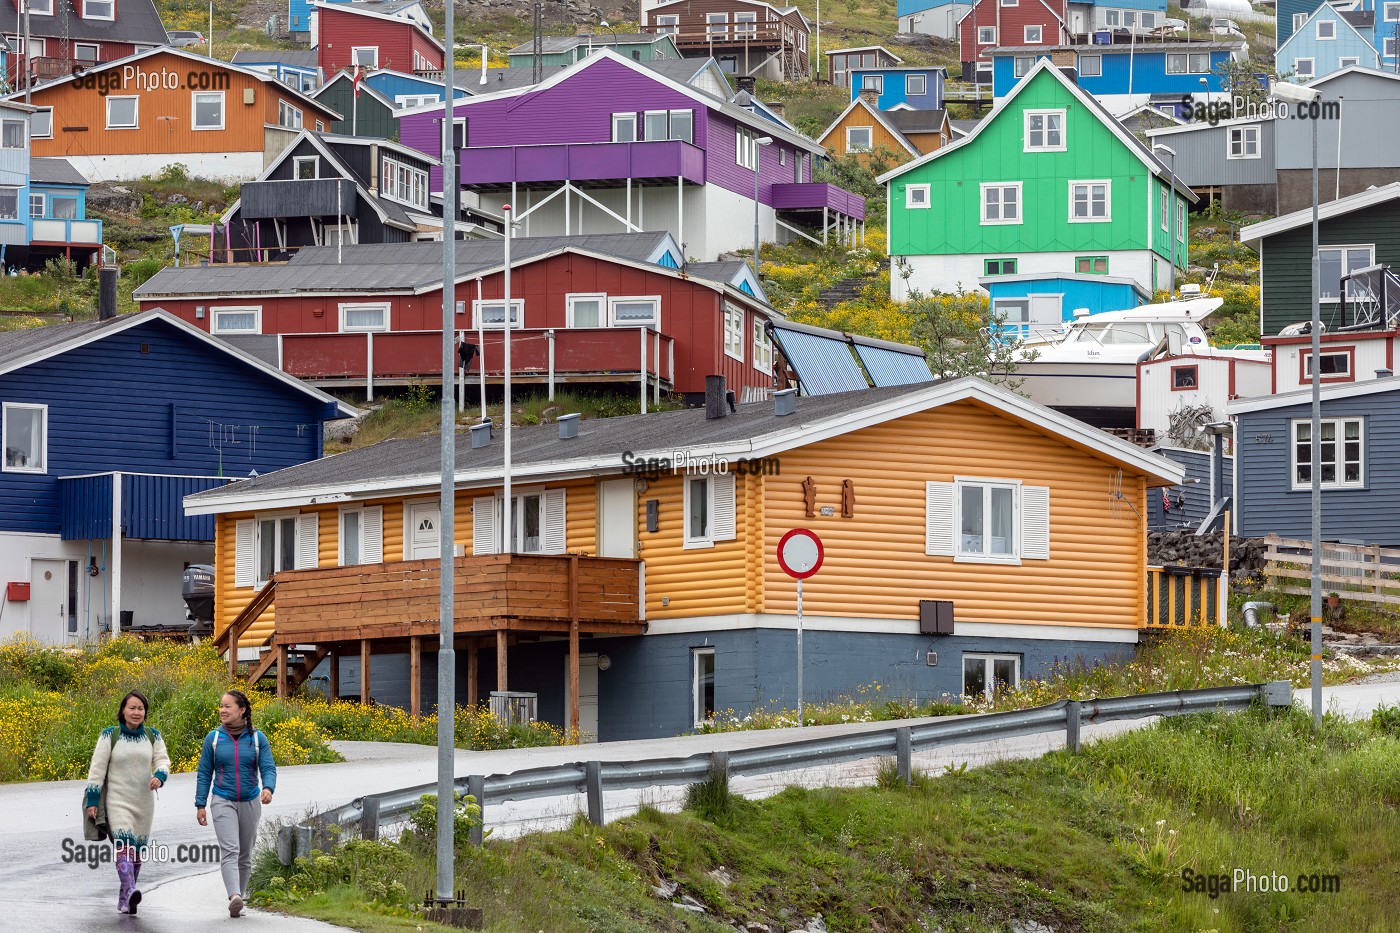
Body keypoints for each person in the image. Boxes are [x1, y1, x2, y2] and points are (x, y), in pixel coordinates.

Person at [84, 690, 171, 915]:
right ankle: (131, 888)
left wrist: (159, 776)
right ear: (123, 710)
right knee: (124, 846)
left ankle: (125, 899)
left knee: (138, 852)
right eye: (131, 708)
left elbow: (162, 760)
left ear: (145, 712)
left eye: (140, 708)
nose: (136, 712)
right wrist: (92, 801)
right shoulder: (109, 735)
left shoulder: (153, 736)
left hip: (144, 803)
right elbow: (97, 769)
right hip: (117, 801)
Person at [194, 689, 276, 919]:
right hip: (223, 799)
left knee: (245, 854)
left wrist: (268, 788)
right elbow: (204, 773)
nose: (222, 710)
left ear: (242, 710)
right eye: (221, 706)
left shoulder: (258, 739)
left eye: (228, 706)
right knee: (230, 850)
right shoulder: (214, 739)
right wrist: (200, 804)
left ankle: (237, 898)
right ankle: (235, 896)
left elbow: (268, 767)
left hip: (250, 800)